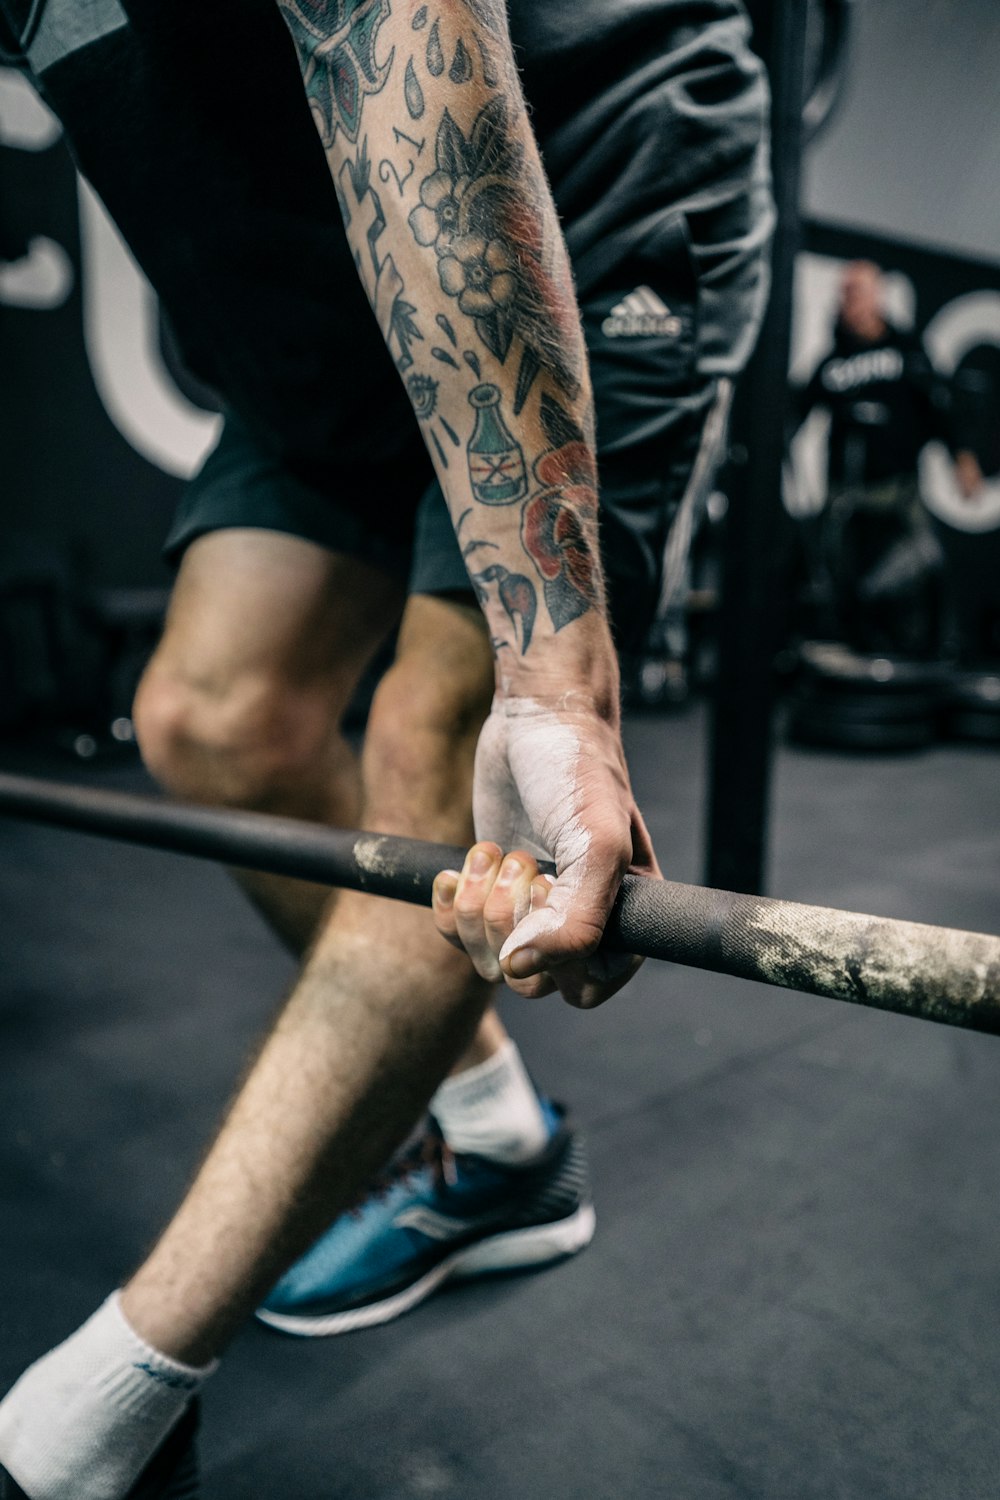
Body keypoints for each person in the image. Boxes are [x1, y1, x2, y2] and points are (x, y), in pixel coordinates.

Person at [0, 0, 772, 1494]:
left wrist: (554, 688)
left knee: (446, 773)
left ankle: (90, 1433)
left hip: (571, 188)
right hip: (311, 283)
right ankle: (498, 1147)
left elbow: (404, 36)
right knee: (215, 723)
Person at [796, 259, 982, 657]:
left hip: (897, 491)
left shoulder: (907, 351)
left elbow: (940, 406)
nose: (851, 300)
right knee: (839, 581)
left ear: (877, 296)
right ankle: (851, 652)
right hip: (846, 495)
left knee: (922, 563)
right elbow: (797, 412)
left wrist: (961, 457)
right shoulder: (832, 363)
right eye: (845, 292)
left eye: (858, 290)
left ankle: (932, 655)